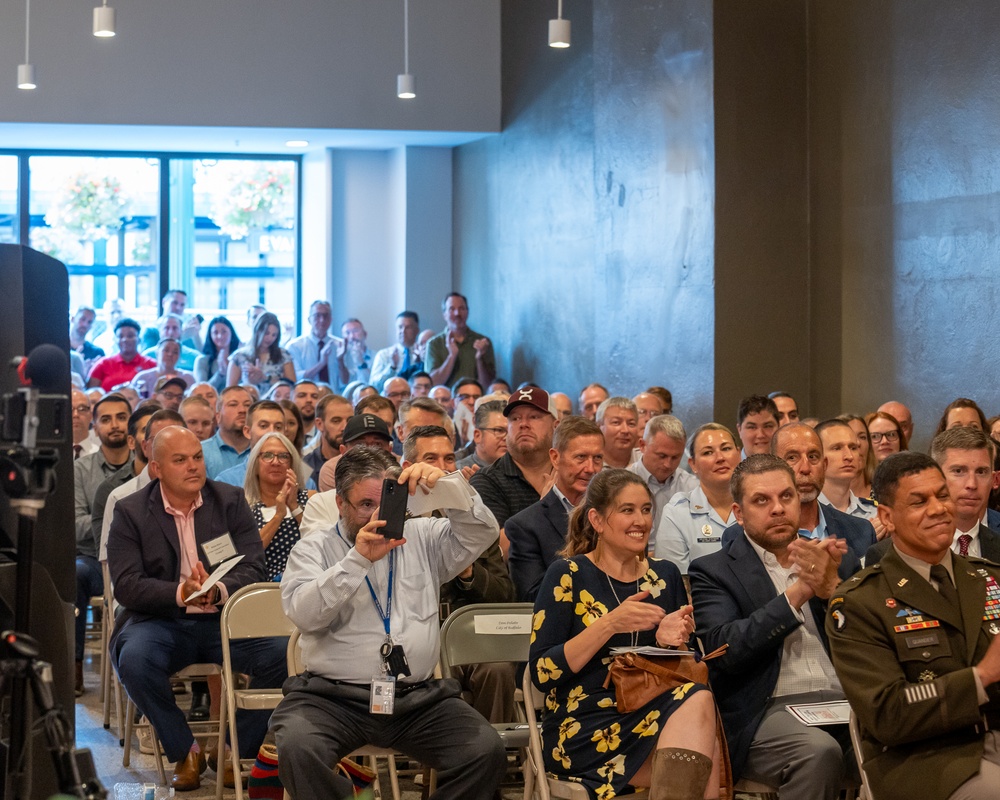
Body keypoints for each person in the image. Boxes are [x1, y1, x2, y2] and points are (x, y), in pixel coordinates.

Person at [271, 447, 507, 800]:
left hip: (418, 699)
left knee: (485, 751)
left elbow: (482, 533)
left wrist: (447, 489)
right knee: (298, 748)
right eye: (366, 504)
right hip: (332, 699)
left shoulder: (422, 536)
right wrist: (357, 561)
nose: (378, 515)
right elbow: (305, 614)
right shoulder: (314, 549)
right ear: (340, 503)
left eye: (388, 502)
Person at [106, 426, 287, 791]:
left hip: (224, 620)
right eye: (180, 460)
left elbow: (253, 566)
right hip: (161, 622)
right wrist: (179, 592)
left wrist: (217, 590)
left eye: (197, 457)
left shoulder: (230, 500)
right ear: (156, 468)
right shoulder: (130, 511)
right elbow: (126, 584)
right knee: (134, 660)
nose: (193, 466)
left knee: (287, 653)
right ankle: (184, 749)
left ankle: (233, 748)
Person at [529, 469, 720, 800]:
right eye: (627, 510)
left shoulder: (665, 575)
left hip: (652, 711)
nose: (641, 521)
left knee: (699, 702)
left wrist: (671, 642)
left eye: (646, 510)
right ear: (598, 520)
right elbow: (543, 672)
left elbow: (682, 672)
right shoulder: (569, 575)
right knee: (705, 751)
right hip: (585, 725)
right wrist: (609, 624)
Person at [826, 451, 1000, 800]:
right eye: (919, 502)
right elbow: (888, 715)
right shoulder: (860, 602)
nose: (938, 509)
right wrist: (980, 678)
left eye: (943, 495)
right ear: (887, 516)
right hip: (926, 760)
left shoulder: (989, 578)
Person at [688, 454, 857, 798]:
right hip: (767, 711)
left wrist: (831, 590)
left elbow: (867, 639)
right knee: (818, 752)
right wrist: (796, 594)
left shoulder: (836, 560)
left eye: (786, 497)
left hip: (844, 702)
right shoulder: (714, 570)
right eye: (762, 500)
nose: (777, 509)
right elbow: (726, 650)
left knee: (911, 736)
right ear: (738, 513)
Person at [866, 427, 1000, 566]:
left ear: (994, 479)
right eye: (959, 471)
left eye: (981, 472)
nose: (972, 484)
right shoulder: (887, 553)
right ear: (936, 476)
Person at [506, 416, 604, 601]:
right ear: (555, 458)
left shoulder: (615, 514)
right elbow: (533, 595)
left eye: (597, 458)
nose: (590, 468)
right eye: (581, 457)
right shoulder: (525, 526)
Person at [73, 393, 133, 694]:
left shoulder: (144, 467)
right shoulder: (81, 469)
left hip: (137, 560)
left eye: (121, 417)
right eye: (106, 419)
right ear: (95, 427)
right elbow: (75, 522)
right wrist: (121, 524)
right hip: (93, 558)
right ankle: (73, 665)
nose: (115, 425)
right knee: (75, 574)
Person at [470, 387, 557, 555]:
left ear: (556, 426)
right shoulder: (487, 480)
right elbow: (495, 551)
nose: (523, 424)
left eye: (534, 417)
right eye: (515, 418)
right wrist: (543, 508)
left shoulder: (571, 474)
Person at [654, 423, 740, 573]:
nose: (720, 458)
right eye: (708, 452)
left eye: (726, 449)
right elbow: (675, 581)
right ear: (693, 464)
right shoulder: (677, 513)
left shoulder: (759, 506)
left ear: (738, 454)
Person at [244, 432, 314, 580]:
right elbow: (249, 552)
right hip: (263, 588)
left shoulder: (311, 498)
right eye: (268, 455)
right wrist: (278, 515)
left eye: (283, 456)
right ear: (255, 464)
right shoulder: (244, 506)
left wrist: (294, 507)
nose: (275, 462)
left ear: (292, 464)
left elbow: (322, 541)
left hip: (306, 584)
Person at [629, 415, 699, 527]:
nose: (668, 464)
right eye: (662, 456)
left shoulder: (692, 488)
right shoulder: (621, 484)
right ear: (642, 446)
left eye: (675, 457)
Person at [814, 419, 878, 526]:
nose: (849, 456)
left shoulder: (875, 514)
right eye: (837, 448)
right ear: (817, 456)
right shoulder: (806, 514)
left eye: (853, 448)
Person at [424, 292, 495, 388]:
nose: (457, 313)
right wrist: (452, 356)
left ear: (468, 312)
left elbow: (488, 385)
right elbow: (432, 384)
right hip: (443, 401)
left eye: (461, 308)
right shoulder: (434, 344)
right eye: (452, 309)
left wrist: (479, 359)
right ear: (444, 314)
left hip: (475, 400)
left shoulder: (483, 342)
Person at [215, 400, 287, 487]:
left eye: (278, 427)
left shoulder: (299, 478)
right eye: (263, 426)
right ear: (247, 432)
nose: (272, 432)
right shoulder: (227, 481)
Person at [228, 311, 296, 393]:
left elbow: (292, 386)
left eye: (274, 335)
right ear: (257, 331)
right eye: (266, 333)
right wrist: (248, 383)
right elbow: (229, 391)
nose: (270, 338)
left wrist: (265, 378)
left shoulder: (284, 355)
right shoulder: (239, 356)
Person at [87, 318, 157, 391]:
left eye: (130, 336)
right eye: (120, 336)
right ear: (115, 340)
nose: (125, 340)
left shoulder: (152, 365)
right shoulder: (102, 364)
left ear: (139, 340)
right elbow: (91, 394)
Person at [302, 394, 353, 487]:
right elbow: (297, 498)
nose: (345, 427)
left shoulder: (362, 461)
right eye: (336, 421)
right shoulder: (305, 466)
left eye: (350, 421)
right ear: (319, 424)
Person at [201, 386, 252, 479]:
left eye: (247, 405)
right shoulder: (201, 452)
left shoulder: (263, 452)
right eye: (233, 405)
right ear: (218, 416)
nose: (242, 410)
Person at [287, 300, 340, 384]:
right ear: (309, 319)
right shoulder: (295, 346)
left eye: (326, 316)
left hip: (334, 395)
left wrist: (341, 360)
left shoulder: (340, 345)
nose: (322, 320)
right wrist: (321, 363)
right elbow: (296, 378)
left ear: (331, 319)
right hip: (307, 395)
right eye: (317, 315)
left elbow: (347, 381)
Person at [370, 310, 423, 389]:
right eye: (400, 327)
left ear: (417, 330)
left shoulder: (423, 353)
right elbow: (373, 385)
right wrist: (391, 368)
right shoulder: (384, 354)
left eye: (408, 327)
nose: (403, 331)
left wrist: (420, 364)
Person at [455, 399, 507, 471]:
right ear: (477, 436)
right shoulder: (458, 472)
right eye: (499, 430)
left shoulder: (523, 469)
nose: (507, 438)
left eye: (511, 431)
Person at [194, 316, 241, 391]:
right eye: (215, 332)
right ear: (210, 335)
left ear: (231, 332)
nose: (220, 336)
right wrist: (220, 374)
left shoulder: (240, 358)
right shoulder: (202, 360)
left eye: (224, 332)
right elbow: (202, 390)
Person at [838, 413, 876, 500]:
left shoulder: (884, 494)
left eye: (862, 437)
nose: (858, 443)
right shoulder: (820, 499)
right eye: (850, 437)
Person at [597, 396, 641, 468]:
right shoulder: (589, 464)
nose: (625, 430)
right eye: (616, 422)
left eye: (631, 424)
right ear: (599, 427)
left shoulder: (646, 462)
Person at [335, 318, 375, 390]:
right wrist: (340, 360)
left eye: (355, 331)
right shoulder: (341, 359)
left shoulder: (376, 357)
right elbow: (343, 384)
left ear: (365, 334)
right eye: (347, 333)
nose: (352, 337)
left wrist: (360, 361)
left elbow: (374, 385)